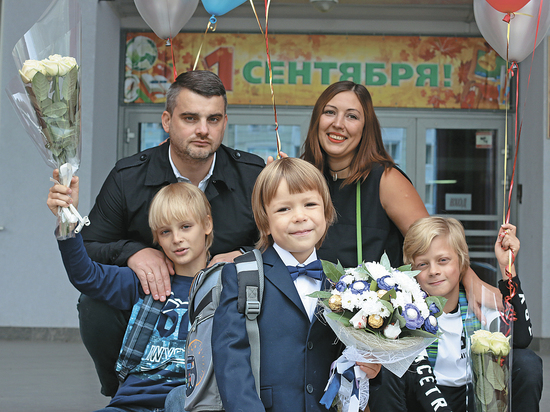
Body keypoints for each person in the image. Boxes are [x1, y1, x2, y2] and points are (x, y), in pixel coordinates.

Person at [49, 70, 265, 396]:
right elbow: (91, 248)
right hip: (155, 302)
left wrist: (248, 256)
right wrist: (132, 252)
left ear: (224, 122)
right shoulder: (128, 176)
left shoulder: (253, 175)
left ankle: (245, 391)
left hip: (231, 307)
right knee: (94, 304)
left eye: (214, 119)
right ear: (167, 121)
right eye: (190, 118)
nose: (203, 130)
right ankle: (123, 388)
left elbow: (286, 244)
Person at [299, 80, 498, 321]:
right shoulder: (303, 179)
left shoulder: (386, 180)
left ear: (366, 128)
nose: (338, 123)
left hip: (373, 325)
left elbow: (432, 244)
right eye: (330, 112)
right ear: (317, 120)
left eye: (352, 116)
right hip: (309, 317)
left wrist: (472, 281)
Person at [211, 157, 381, 412]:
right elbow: (231, 361)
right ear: (265, 221)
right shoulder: (242, 276)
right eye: (284, 209)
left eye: (310, 204)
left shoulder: (344, 283)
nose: (300, 216)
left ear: (326, 213)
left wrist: (370, 369)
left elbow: (347, 362)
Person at [47, 177, 216, 411]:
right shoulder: (144, 281)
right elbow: (85, 276)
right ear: (157, 238)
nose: (177, 238)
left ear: (207, 225)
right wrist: (67, 218)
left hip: (191, 401)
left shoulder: (224, 285)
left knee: (179, 400)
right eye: (165, 231)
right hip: (134, 402)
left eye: (186, 226)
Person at [368, 217, 542, 412]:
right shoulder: (408, 311)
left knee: (527, 363)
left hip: (473, 395)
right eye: (423, 264)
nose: (434, 271)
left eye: (443, 260)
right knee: (386, 368)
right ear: (412, 270)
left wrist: (507, 267)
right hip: (423, 394)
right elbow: (421, 379)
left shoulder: (477, 304)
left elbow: (522, 339)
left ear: (461, 262)